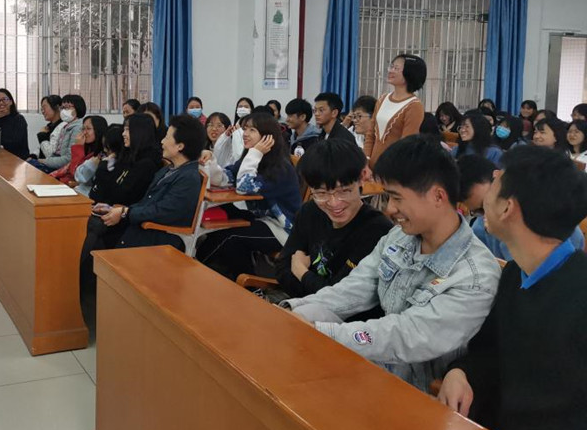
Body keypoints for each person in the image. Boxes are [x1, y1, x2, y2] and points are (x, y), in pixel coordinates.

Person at [282, 135, 501, 393]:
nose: (389, 209)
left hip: (420, 392)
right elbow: (351, 289)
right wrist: (292, 312)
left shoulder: (475, 275)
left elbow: (407, 335)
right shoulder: (399, 237)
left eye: (396, 198)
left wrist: (324, 332)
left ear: (438, 196)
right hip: (375, 369)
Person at [438, 145, 587, 430]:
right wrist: (461, 372)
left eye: (497, 179)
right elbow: (490, 351)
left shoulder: (579, 292)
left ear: (508, 208)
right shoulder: (515, 273)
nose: (491, 178)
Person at [274, 139, 392, 301]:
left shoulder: (376, 230)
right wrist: (315, 285)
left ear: (361, 179)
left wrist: (301, 272)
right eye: (321, 193)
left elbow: (341, 298)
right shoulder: (310, 211)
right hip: (299, 306)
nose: (334, 203)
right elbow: (282, 268)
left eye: (344, 191)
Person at [79, 114, 164, 330]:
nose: (124, 134)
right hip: (117, 210)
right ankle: (83, 290)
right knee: (87, 222)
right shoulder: (129, 156)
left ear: (139, 133)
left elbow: (123, 193)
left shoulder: (147, 163)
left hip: (130, 218)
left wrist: (111, 200)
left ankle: (84, 291)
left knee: (94, 227)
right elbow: (105, 190)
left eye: (127, 130)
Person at [197, 113, 302, 280]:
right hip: (262, 219)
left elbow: (244, 187)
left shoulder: (280, 168)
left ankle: (200, 270)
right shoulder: (253, 158)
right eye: (245, 129)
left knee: (231, 236)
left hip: (282, 229)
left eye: (252, 130)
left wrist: (255, 153)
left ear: (268, 137)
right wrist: (210, 161)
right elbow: (226, 178)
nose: (245, 134)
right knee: (220, 227)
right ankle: (217, 273)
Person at [99, 114, 207, 250]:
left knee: (96, 237)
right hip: (141, 229)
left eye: (167, 137)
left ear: (180, 146)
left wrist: (125, 212)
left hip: (157, 238)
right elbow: (147, 202)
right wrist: (119, 210)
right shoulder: (168, 169)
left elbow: (162, 212)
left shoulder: (188, 178)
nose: (162, 141)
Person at [457, 154, 584, 260]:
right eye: (480, 210)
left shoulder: (555, 220)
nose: (489, 212)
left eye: (491, 198)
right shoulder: (481, 229)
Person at [364, 54, 427, 167]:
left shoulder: (414, 106)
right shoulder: (382, 99)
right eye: (391, 66)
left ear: (409, 73)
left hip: (393, 168)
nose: (390, 70)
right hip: (371, 167)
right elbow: (370, 134)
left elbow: (406, 145)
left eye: (396, 68)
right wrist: (366, 160)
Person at [50, 115, 107, 196]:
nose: (84, 132)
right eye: (83, 129)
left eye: (88, 129)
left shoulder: (101, 155)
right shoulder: (87, 147)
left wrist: (78, 147)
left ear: (98, 130)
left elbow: (76, 173)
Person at [30, 94, 86, 172]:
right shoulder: (65, 127)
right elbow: (56, 152)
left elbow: (68, 159)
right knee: (29, 164)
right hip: (55, 163)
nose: (63, 111)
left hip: (63, 168)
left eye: (67, 108)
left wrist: (45, 161)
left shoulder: (77, 128)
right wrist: (35, 157)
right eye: (62, 108)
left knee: (31, 167)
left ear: (78, 108)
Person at [0, 88, 29, 158]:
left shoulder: (19, 119)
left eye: (4, 99)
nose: (1, 102)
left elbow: (14, 143)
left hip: (17, 158)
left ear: (11, 102)